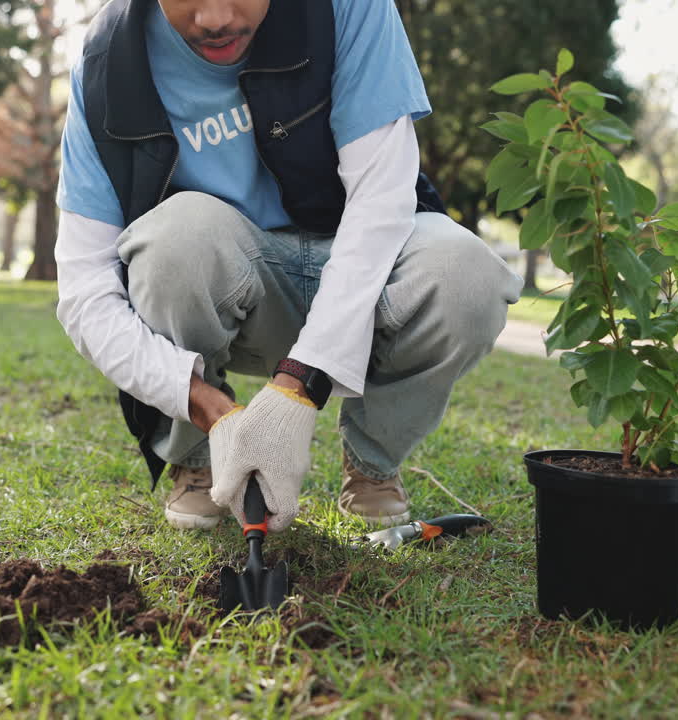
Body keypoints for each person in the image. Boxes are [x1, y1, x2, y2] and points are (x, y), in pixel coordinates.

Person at [55, 0, 523, 533]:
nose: (215, 19)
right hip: (232, 286)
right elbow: (85, 293)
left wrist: (298, 387)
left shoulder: (349, 8)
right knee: (173, 236)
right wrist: (209, 410)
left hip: (360, 269)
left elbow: (380, 201)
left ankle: (373, 463)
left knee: (468, 275)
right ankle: (201, 459)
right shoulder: (106, 68)